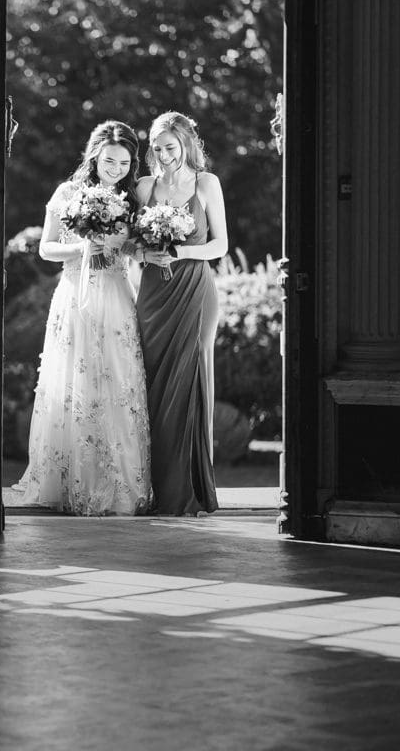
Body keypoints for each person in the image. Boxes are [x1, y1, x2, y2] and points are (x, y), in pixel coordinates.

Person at [12, 120, 152, 516]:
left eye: (124, 163)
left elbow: (133, 249)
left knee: (118, 379)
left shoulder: (132, 198)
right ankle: (68, 481)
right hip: (75, 295)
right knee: (74, 380)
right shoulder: (68, 193)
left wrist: (134, 248)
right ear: (94, 156)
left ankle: (120, 484)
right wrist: (83, 249)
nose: (116, 169)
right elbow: (47, 248)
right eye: (109, 161)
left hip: (117, 295)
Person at [133, 111, 228, 516]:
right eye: (157, 148)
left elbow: (220, 245)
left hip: (194, 290)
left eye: (170, 147)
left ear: (187, 144)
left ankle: (189, 488)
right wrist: (146, 253)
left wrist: (180, 250)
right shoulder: (144, 187)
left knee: (189, 382)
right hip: (154, 294)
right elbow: (130, 245)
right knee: (152, 385)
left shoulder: (207, 184)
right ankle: (154, 486)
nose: (163, 155)